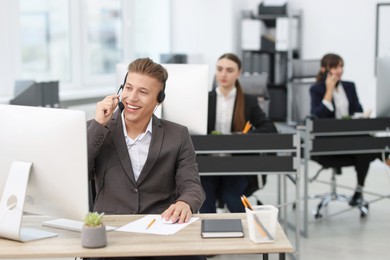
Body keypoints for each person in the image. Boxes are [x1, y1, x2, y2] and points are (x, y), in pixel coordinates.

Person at [87, 57, 206, 260]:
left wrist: (185, 202)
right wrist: (99, 126)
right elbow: (76, 173)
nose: (132, 98)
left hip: (161, 230)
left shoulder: (177, 135)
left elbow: (192, 184)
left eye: (143, 92)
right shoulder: (97, 129)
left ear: (159, 99)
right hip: (113, 233)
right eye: (128, 88)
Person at [199, 53, 277, 214]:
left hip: (236, 165)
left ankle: (241, 235)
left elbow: (269, 128)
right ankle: (209, 236)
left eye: (229, 70)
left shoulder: (249, 102)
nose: (223, 74)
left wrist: (246, 137)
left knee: (233, 198)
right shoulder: (205, 99)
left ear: (238, 73)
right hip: (208, 165)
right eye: (219, 69)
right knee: (204, 200)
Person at [309, 53, 384, 206]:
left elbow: (357, 109)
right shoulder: (316, 89)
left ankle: (359, 190)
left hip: (352, 140)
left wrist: (362, 116)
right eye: (335, 67)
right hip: (328, 143)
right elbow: (317, 118)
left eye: (341, 66)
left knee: (367, 145)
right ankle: (360, 190)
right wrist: (329, 91)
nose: (339, 70)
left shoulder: (349, 86)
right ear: (324, 69)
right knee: (370, 146)